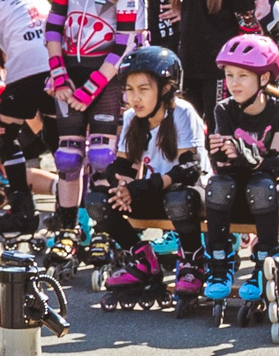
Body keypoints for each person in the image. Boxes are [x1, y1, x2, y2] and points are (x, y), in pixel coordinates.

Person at [45, 0, 143, 239]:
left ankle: (105, 231)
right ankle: (67, 230)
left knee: (102, 157)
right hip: (68, 76)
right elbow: (53, 26)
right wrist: (59, 75)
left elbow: (123, 43)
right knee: (67, 158)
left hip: (105, 80)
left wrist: (91, 88)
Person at [90, 45, 213, 306]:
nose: (135, 98)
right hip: (156, 193)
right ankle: (142, 259)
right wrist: (120, 187)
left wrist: (141, 187)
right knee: (98, 201)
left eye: (143, 89)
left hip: (194, 194)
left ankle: (192, 261)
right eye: (129, 89)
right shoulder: (132, 117)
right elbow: (122, 166)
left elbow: (188, 170)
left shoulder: (182, 112)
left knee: (178, 199)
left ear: (166, 88)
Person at [200, 32, 279, 312]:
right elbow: (224, 167)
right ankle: (219, 264)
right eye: (229, 75)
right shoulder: (223, 110)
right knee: (217, 184)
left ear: (263, 78)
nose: (234, 83)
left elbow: (277, 165)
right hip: (234, 198)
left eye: (242, 76)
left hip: (271, 197)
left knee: (261, 185)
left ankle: (265, 261)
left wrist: (246, 154)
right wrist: (218, 154)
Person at [0, 0, 54, 235]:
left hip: (27, 65)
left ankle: (22, 211)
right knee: (60, 139)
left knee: (4, 133)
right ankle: (73, 212)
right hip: (57, 60)